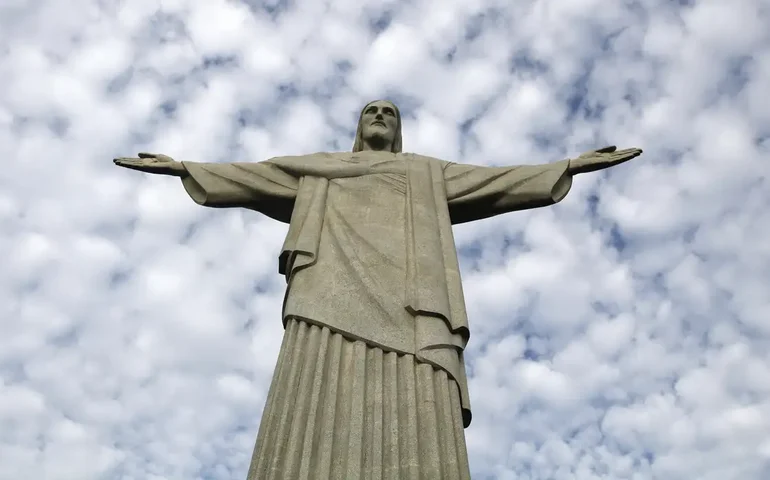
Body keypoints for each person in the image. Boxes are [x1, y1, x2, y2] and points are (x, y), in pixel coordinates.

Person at [114, 100, 641, 479]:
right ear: (359, 127)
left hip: (413, 302)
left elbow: (494, 182)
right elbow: (256, 177)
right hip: (326, 290)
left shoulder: (425, 174)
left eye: (390, 113)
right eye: (372, 112)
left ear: (400, 131)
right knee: (313, 392)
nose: (381, 118)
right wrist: (185, 167)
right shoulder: (319, 169)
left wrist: (566, 165)